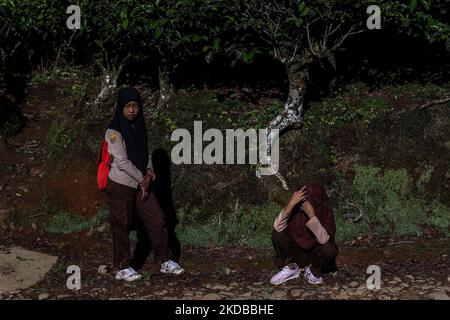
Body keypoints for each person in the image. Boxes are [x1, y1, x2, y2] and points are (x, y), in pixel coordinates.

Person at [105, 87, 184, 281]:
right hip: (122, 185)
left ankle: (164, 260)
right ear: (121, 108)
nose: (132, 110)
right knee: (121, 224)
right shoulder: (114, 131)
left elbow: (144, 153)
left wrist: (149, 171)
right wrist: (142, 179)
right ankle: (123, 267)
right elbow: (121, 161)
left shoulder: (139, 126)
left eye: (135, 106)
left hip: (142, 183)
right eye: (128, 106)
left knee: (157, 219)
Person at [270, 183, 338, 285]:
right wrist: (291, 204)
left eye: (308, 201)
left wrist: (312, 216)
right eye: (302, 200)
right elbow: (277, 227)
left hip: (315, 256)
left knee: (329, 249)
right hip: (296, 253)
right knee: (278, 234)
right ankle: (291, 267)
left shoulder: (325, 212)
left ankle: (314, 272)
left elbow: (324, 240)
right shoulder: (296, 209)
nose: (304, 204)